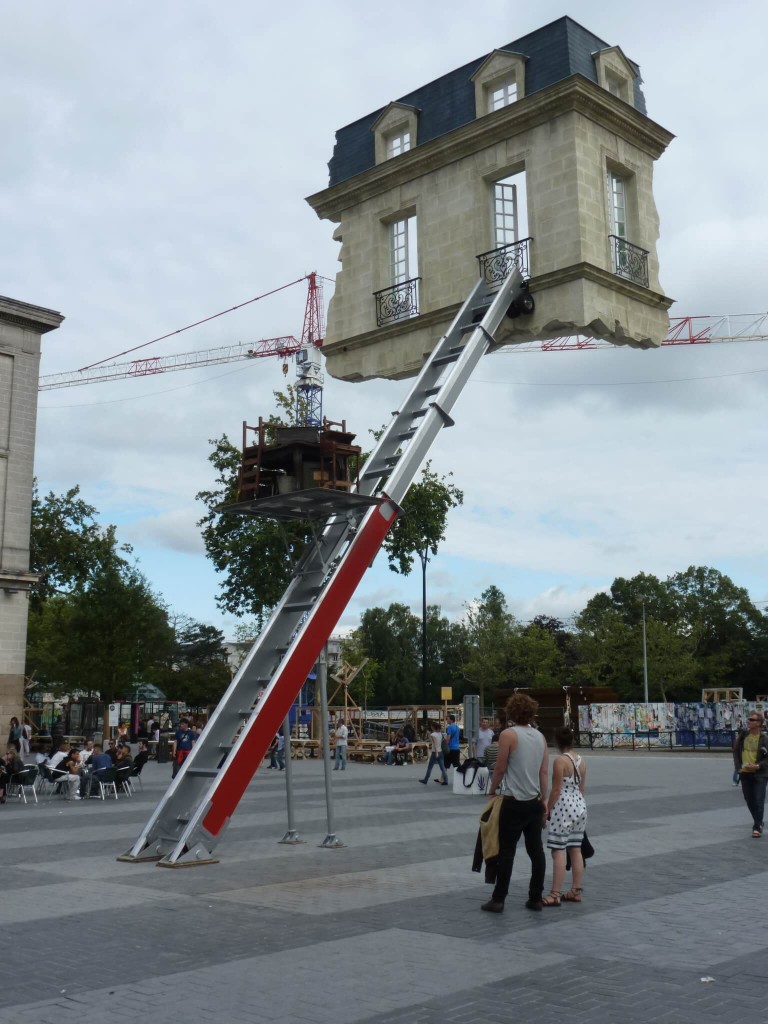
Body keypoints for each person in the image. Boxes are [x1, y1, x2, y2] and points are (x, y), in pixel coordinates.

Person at [480, 693, 549, 914]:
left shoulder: (508, 735)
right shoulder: (540, 737)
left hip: (513, 801)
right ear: (531, 712)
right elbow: (544, 771)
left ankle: (499, 898)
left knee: (507, 851)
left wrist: (492, 790)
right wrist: (544, 800)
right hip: (534, 801)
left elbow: (500, 768)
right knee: (536, 851)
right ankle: (536, 897)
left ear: (511, 711)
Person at [542, 727, 587, 906]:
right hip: (580, 804)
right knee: (575, 849)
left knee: (558, 850)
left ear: (557, 742)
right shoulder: (582, 761)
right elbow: (582, 788)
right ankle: (576, 890)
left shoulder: (560, 761)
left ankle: (555, 894)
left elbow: (555, 789)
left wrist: (547, 810)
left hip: (563, 806)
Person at [733, 712, 768, 837]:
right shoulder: (743, 735)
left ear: (759, 723)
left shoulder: (764, 739)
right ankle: (759, 821)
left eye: (752, 720)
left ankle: (757, 827)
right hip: (745, 773)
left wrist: (758, 765)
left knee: (758, 800)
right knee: (749, 800)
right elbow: (736, 751)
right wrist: (738, 768)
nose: (749, 721)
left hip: (760, 774)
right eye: (749, 719)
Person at [419, 722, 448, 786]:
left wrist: (436, 752)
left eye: (431, 726)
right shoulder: (441, 734)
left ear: (433, 727)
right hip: (441, 752)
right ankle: (446, 780)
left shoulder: (433, 734)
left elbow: (434, 744)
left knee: (430, 767)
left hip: (435, 752)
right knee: (442, 767)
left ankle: (425, 780)